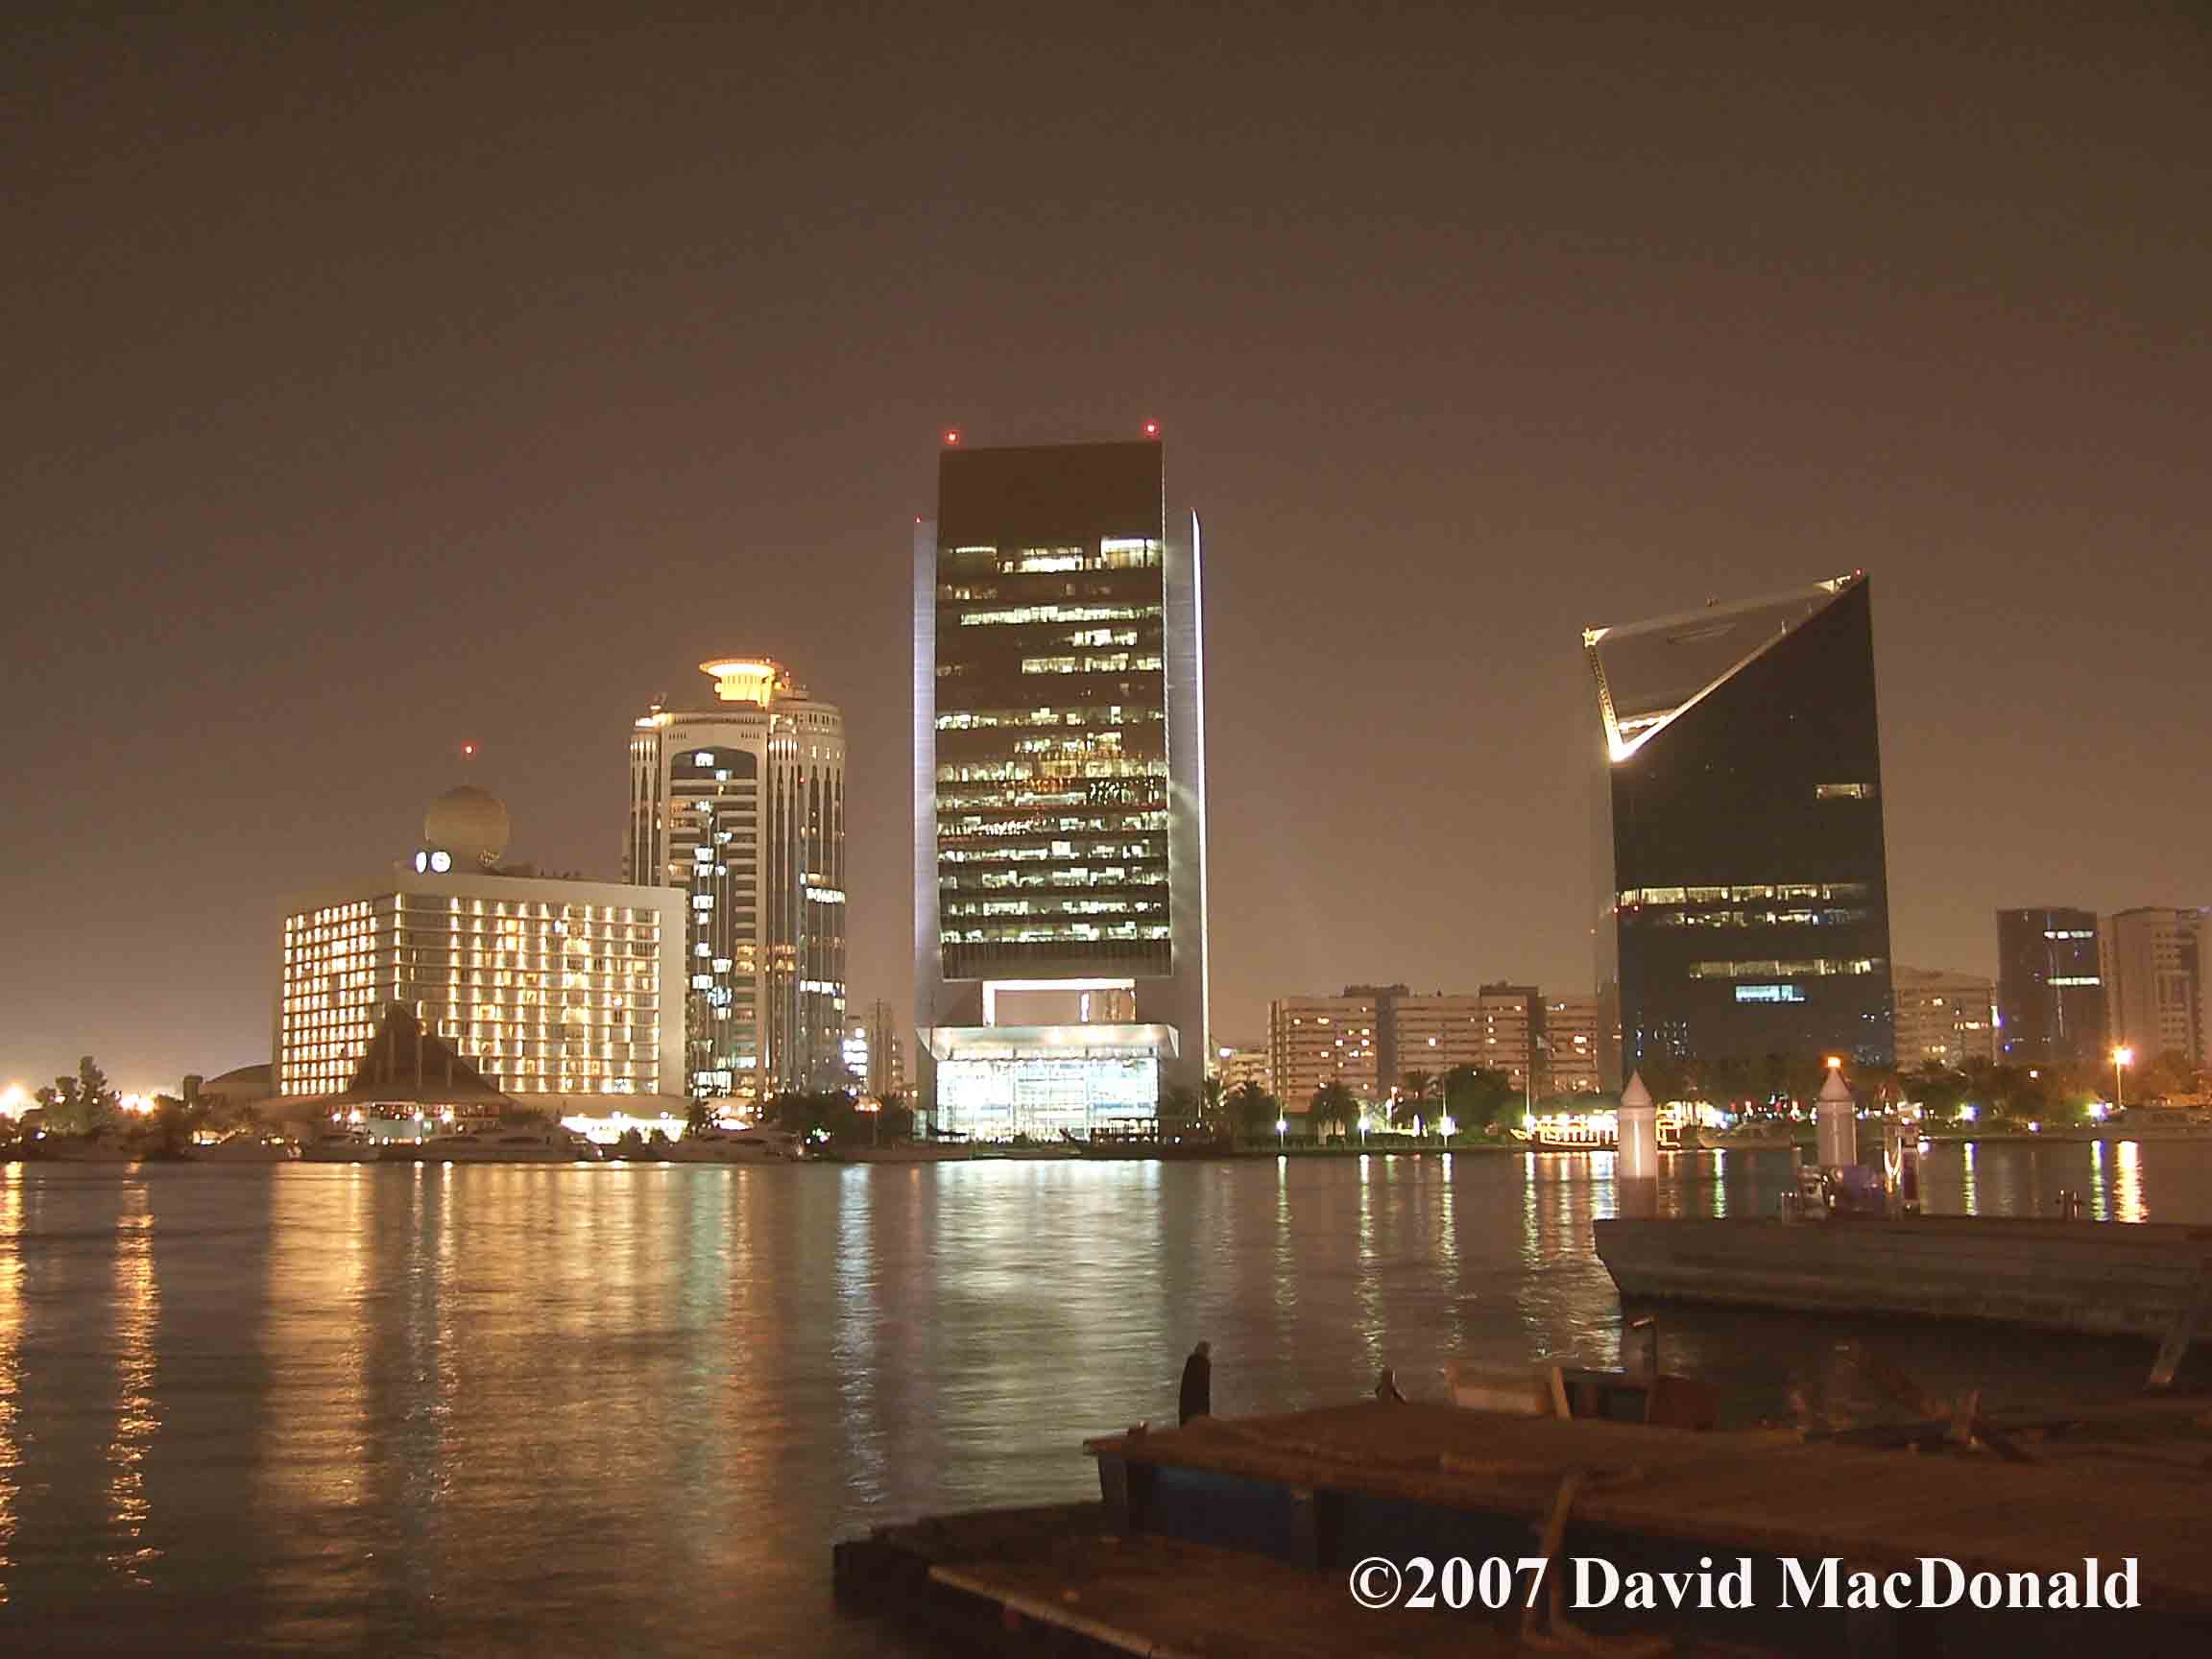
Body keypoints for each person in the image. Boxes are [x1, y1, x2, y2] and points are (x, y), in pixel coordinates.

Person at [1178, 1340, 1212, 1425]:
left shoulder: (1191, 1361)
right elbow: (1204, 1388)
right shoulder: (1204, 1363)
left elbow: (1186, 1384)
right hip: (1198, 1404)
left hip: (1187, 1402)